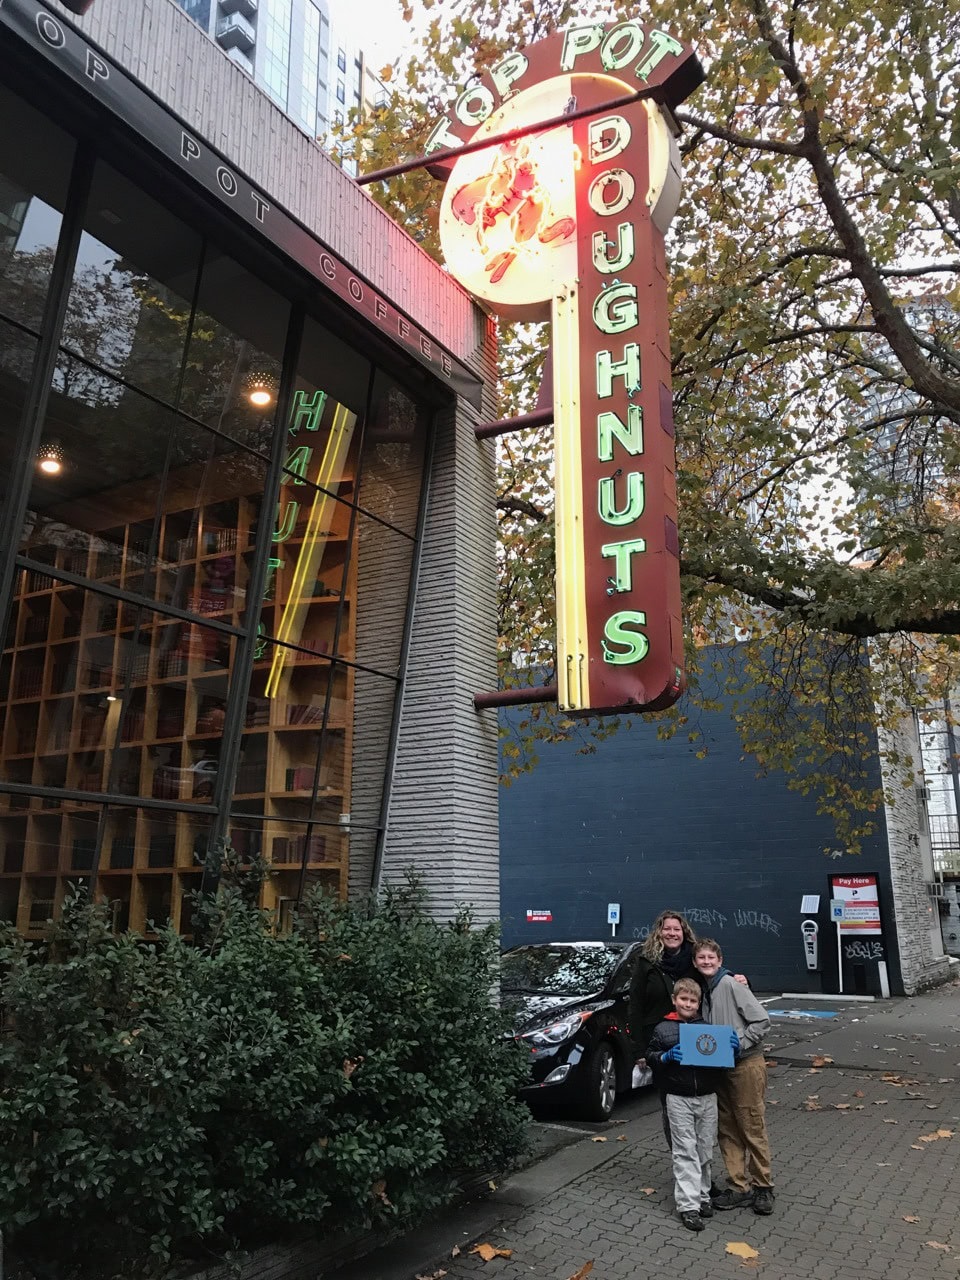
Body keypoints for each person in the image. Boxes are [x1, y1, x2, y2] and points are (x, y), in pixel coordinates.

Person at [645, 977, 739, 1231]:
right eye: (683, 999)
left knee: (704, 1150)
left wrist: (733, 1050)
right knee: (685, 1151)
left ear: (699, 1003)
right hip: (678, 1098)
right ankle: (688, 1206)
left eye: (693, 1000)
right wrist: (664, 1057)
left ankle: (703, 1196)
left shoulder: (708, 1028)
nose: (688, 1004)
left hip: (707, 1097)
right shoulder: (663, 1029)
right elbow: (650, 1056)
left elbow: (721, 1063)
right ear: (675, 1000)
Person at [693, 937, 774, 1215]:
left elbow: (761, 1021)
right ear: (695, 962)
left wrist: (738, 1042)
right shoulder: (703, 990)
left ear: (720, 961)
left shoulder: (730, 984)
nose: (706, 962)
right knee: (727, 1128)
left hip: (745, 1065)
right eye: (701, 958)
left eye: (711, 958)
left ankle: (763, 1186)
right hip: (719, 1070)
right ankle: (738, 1186)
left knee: (751, 1125)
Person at [628, 910, 699, 1060]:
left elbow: (712, 971)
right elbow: (635, 1006)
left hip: (692, 1036)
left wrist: (737, 978)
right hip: (655, 1042)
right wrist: (638, 1050)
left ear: (684, 933)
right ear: (659, 933)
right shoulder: (645, 962)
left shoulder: (695, 960)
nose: (672, 933)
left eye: (676, 929)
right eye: (667, 929)